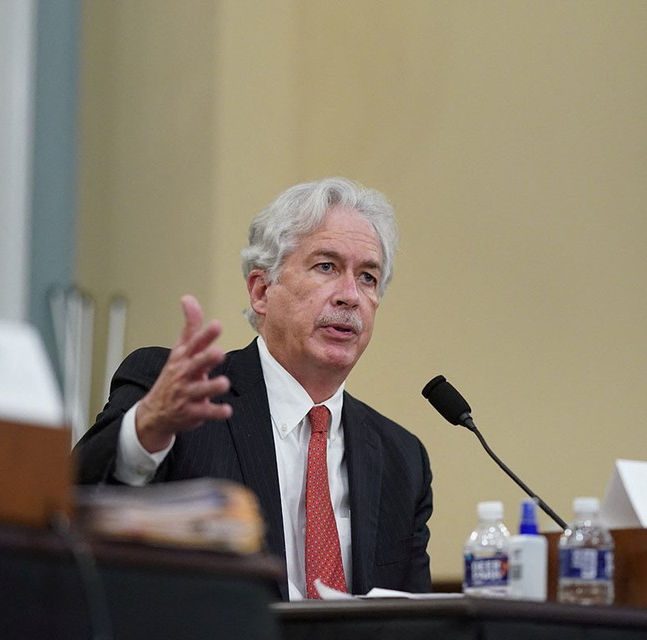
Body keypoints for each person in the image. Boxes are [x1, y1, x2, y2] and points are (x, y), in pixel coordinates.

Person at [73, 177, 433, 600]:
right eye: (326, 267)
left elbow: (420, 621)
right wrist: (145, 432)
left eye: (368, 277)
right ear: (262, 291)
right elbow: (72, 505)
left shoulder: (401, 459)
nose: (350, 295)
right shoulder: (180, 395)